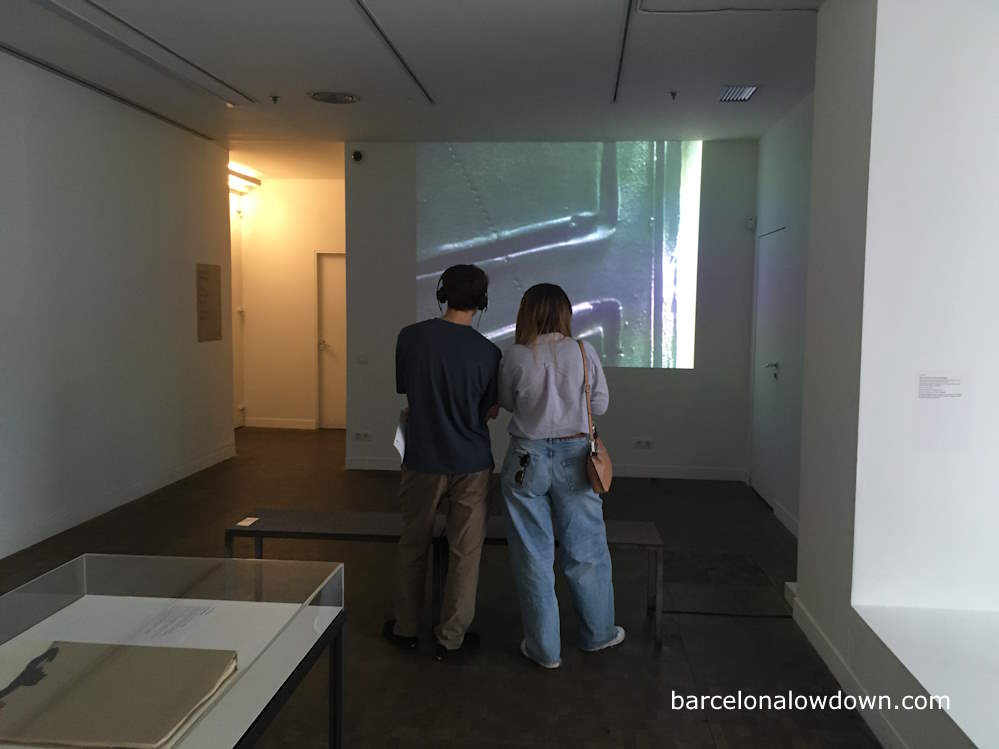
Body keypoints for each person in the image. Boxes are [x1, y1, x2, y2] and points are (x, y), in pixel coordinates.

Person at [498, 283, 624, 669]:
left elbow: (506, 403)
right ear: (566, 313)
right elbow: (600, 403)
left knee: (533, 557)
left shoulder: (516, 356)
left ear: (527, 313)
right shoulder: (584, 352)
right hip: (575, 456)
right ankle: (598, 634)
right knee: (586, 551)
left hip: (526, 460)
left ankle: (545, 650)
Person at [384, 264, 501, 661]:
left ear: (441, 294)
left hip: (422, 459)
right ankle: (451, 638)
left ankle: (406, 628)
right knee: (465, 553)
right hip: (472, 462)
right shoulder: (489, 352)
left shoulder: (410, 338)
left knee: (412, 543)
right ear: (482, 302)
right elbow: (490, 412)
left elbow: (406, 390)